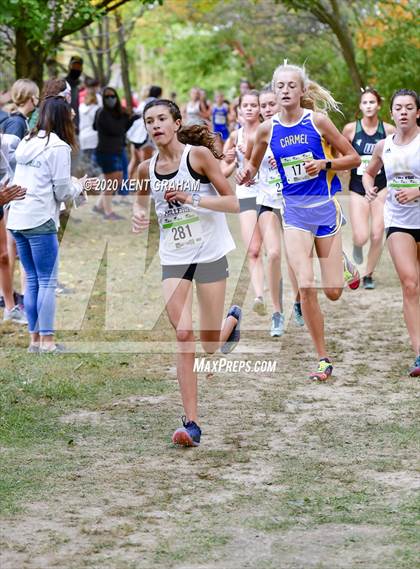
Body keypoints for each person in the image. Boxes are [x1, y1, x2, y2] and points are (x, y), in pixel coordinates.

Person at [237, 62, 361, 381]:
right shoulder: (267, 129)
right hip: (293, 212)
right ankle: (322, 358)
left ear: (302, 91)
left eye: (292, 86)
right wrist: (246, 173)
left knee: (332, 291)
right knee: (306, 285)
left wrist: (324, 163)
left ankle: (344, 264)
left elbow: (354, 158)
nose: (286, 91)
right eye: (280, 86)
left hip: (324, 210)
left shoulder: (317, 122)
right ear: (274, 92)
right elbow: (251, 164)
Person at [132, 99, 241, 447]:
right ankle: (191, 423)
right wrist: (138, 214)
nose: (155, 125)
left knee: (209, 345)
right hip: (175, 257)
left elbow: (234, 202)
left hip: (209, 254)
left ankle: (230, 325)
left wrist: (193, 199)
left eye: (162, 118)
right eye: (149, 121)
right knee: (182, 334)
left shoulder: (198, 157)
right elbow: (140, 198)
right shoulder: (144, 168)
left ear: (176, 123)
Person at [6, 96, 89, 353]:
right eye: (71, 117)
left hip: (17, 218)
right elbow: (63, 191)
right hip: (40, 219)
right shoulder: (58, 147)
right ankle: (48, 342)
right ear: (63, 118)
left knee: (31, 280)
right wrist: (81, 185)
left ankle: (35, 340)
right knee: (47, 281)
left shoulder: (28, 141)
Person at [363, 89, 420, 377]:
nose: (403, 112)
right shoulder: (383, 146)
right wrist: (369, 185)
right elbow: (369, 171)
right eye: (398, 108)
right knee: (410, 284)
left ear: (418, 112)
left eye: (409, 107)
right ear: (393, 113)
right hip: (400, 222)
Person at [250, 87, 304, 332]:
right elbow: (250, 169)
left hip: (293, 201)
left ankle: (299, 302)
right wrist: (245, 174)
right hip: (267, 201)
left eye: (271, 103)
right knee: (273, 254)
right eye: (264, 105)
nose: (267, 108)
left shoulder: (295, 130)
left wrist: (285, 158)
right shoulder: (260, 135)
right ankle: (276, 312)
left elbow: (310, 162)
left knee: (295, 257)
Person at [343, 88, 395, 289]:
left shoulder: (388, 129)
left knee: (377, 233)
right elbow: (340, 149)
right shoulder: (350, 129)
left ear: (379, 105)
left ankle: (368, 274)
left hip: (381, 186)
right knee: (362, 236)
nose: (368, 106)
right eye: (365, 103)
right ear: (360, 106)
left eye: (372, 102)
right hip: (358, 187)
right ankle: (357, 245)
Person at [222, 90, 267, 315]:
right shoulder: (233, 136)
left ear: (260, 108)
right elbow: (224, 171)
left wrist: (250, 155)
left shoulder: (268, 131)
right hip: (246, 194)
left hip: (268, 194)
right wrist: (230, 160)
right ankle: (259, 296)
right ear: (239, 110)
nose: (249, 109)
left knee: (274, 250)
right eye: (245, 106)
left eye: (253, 105)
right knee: (253, 249)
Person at [93, 87, 138, 220]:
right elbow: (116, 129)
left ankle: (99, 206)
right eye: (107, 97)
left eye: (112, 96)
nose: (110, 99)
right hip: (106, 152)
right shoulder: (102, 113)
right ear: (103, 99)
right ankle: (108, 212)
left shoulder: (118, 113)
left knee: (114, 182)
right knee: (112, 183)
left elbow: (123, 129)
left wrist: (132, 118)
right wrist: (128, 118)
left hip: (117, 151)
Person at [65, 55, 84, 131]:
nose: (76, 68)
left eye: (78, 66)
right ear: (69, 66)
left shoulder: (84, 86)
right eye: (74, 66)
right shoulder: (62, 84)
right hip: (65, 126)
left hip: (81, 129)